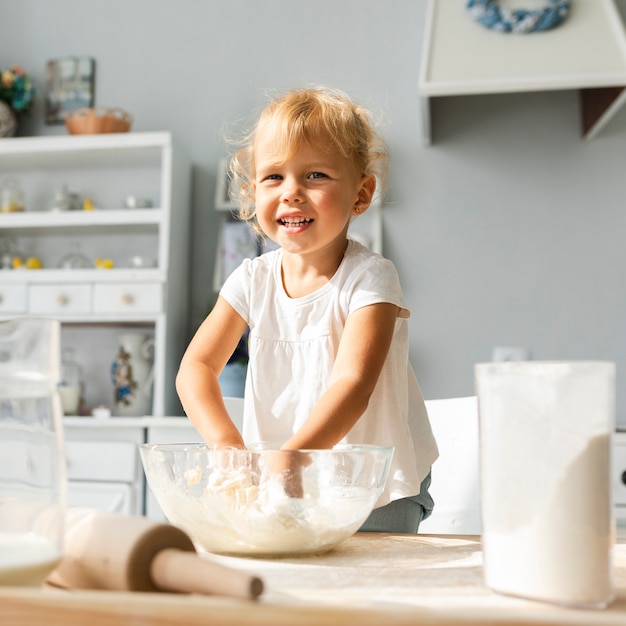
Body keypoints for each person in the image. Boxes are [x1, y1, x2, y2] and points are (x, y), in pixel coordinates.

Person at [176, 85, 438, 532]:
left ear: (361, 193)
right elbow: (195, 368)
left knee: (366, 595)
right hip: (284, 481)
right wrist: (225, 444)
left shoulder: (370, 278)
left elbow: (352, 384)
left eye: (315, 175)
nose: (292, 192)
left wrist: (295, 457)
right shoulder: (251, 280)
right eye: (274, 176)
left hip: (372, 489)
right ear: (252, 190)